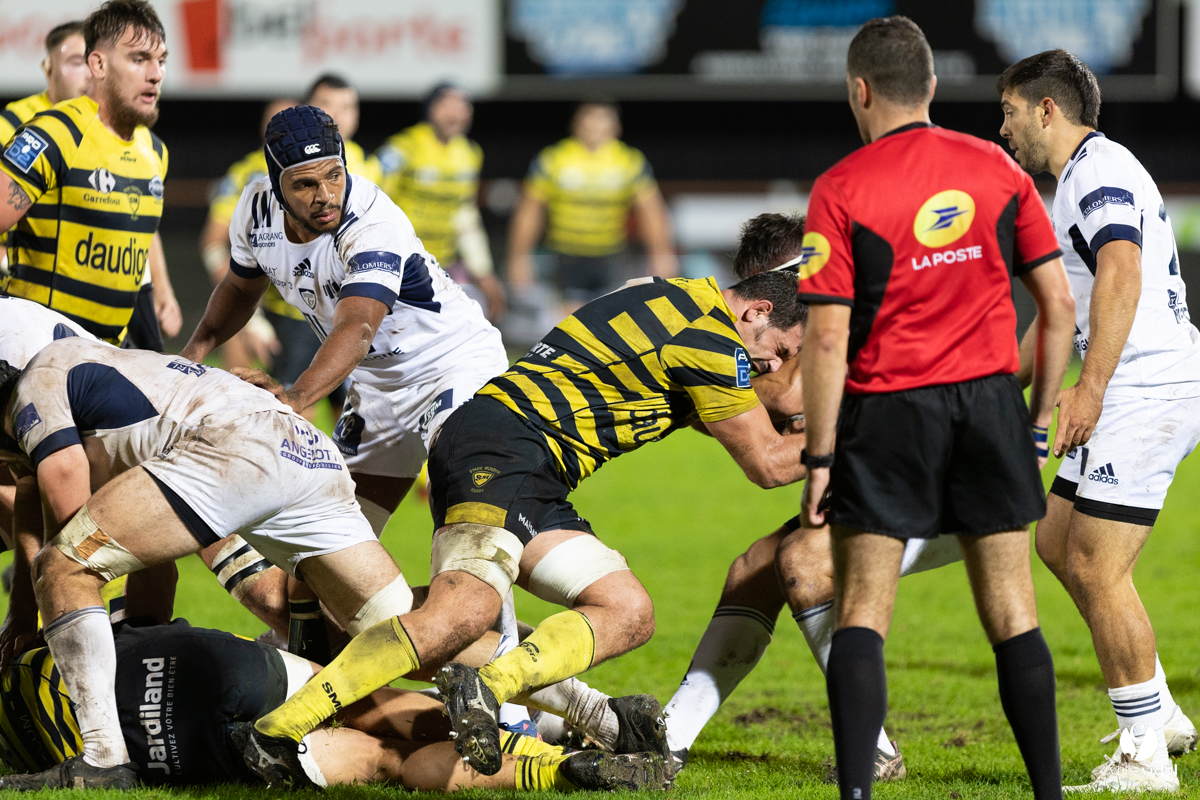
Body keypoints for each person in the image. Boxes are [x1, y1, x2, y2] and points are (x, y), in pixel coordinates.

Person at [239, 266, 811, 783]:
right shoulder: (710, 339)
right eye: (782, 350)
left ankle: (486, 688)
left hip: (528, 468)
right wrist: (847, 433)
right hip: (504, 450)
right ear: (757, 311)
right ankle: (277, 731)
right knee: (459, 616)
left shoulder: (673, 298)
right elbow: (767, 464)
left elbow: (714, 411)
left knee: (628, 610)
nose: (774, 366)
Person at [797, 17, 1076, 800]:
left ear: (859, 91)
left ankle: (858, 794)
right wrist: (1036, 422)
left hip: (888, 411)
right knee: (1014, 615)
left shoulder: (840, 188)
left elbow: (826, 339)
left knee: (862, 611)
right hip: (990, 405)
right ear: (931, 85)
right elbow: (1058, 307)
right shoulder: (996, 167)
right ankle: (1048, 794)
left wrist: (819, 459)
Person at [0, 338, 416, 790]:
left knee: (61, 566)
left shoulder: (34, 388)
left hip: (233, 445)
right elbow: (152, 565)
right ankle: (477, 697)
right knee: (406, 627)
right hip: (302, 444)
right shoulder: (101, 393)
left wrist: (62, 618)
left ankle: (102, 761)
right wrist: (138, 638)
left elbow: (66, 511)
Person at [181, 104, 507, 580]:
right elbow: (239, 289)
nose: (325, 195)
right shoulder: (254, 209)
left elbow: (357, 328)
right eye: (305, 184)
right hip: (378, 385)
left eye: (334, 175)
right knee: (330, 541)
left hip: (453, 365)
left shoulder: (371, 222)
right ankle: (347, 627)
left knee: (460, 505)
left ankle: (491, 622)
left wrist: (295, 399)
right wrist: (191, 356)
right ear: (276, 185)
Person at [998, 50, 1200, 792]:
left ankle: (1145, 756)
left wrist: (1089, 388)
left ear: (1047, 109)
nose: (1003, 129)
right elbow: (1066, 310)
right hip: (1130, 387)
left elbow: (1121, 268)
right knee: (1057, 541)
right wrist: (995, 384)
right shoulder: (1082, 178)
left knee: (1095, 564)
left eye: (1010, 112)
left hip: (1146, 391)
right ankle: (1162, 714)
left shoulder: (1096, 172)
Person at [0, 616, 669, 792]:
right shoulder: (30, 650)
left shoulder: (16, 743)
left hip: (168, 746)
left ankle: (563, 772)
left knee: (384, 762)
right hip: (195, 666)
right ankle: (563, 736)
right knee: (365, 701)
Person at [0, 1, 180, 348]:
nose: (156, 74)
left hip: (108, 351)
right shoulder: (56, 133)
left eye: (161, 60)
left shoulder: (156, 152)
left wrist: (161, 291)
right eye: (139, 59)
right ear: (98, 64)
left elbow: (131, 247)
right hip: (41, 348)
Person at [507, 102, 677, 314]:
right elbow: (529, 211)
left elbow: (652, 211)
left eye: (602, 120)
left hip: (610, 255)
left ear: (615, 127)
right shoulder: (554, 158)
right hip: (565, 256)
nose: (595, 127)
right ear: (576, 125)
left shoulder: (629, 161)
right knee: (569, 317)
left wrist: (661, 254)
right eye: (590, 120)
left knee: (611, 317)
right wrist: (519, 257)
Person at [375, 84, 505, 320]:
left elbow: (465, 216)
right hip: (401, 263)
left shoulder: (470, 154)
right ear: (431, 109)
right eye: (447, 105)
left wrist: (483, 271)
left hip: (442, 266)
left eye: (462, 106)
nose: (455, 113)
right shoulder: (404, 147)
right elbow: (375, 200)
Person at [198, 98, 295, 377]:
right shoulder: (244, 175)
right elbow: (213, 243)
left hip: (318, 305)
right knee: (237, 381)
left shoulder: (326, 170)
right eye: (273, 120)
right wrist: (249, 316)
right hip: (264, 301)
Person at [305, 73, 380, 184]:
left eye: (346, 107)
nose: (337, 114)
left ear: (356, 115)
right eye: (326, 104)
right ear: (305, 110)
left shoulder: (369, 163)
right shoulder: (284, 158)